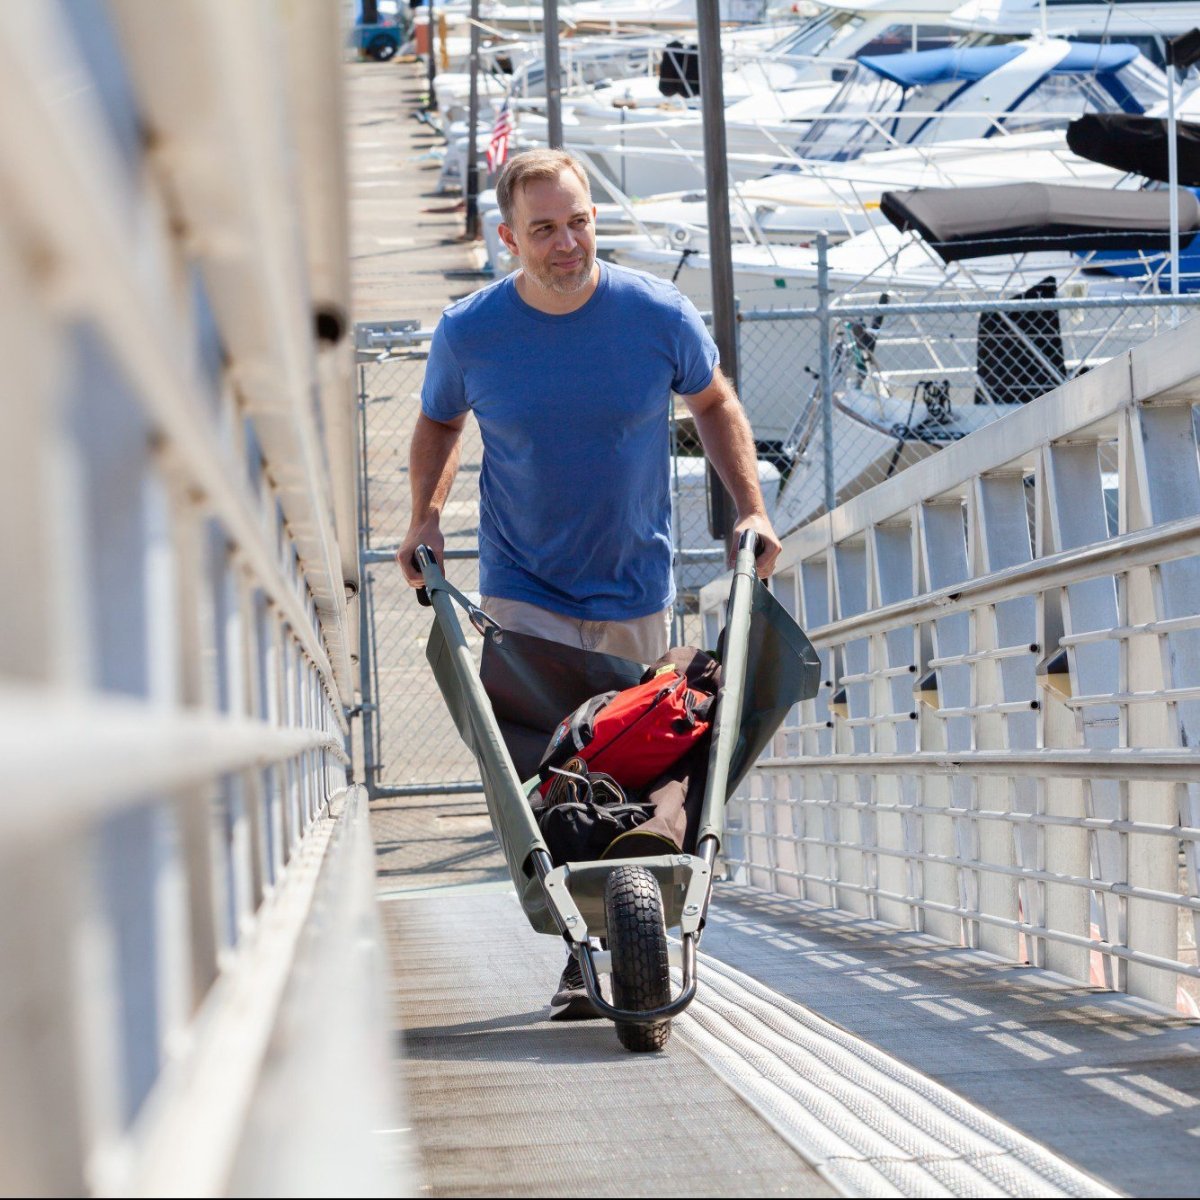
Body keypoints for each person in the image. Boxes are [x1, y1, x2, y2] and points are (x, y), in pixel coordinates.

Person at [397, 147, 781, 1020]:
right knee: (546, 779)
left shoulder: (655, 315)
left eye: (578, 222)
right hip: (522, 594)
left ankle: (631, 935)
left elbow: (714, 404)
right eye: (544, 230)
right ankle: (583, 950)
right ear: (508, 239)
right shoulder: (472, 332)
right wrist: (423, 517)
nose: (566, 243)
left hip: (636, 591)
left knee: (644, 771)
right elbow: (437, 419)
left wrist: (748, 510)